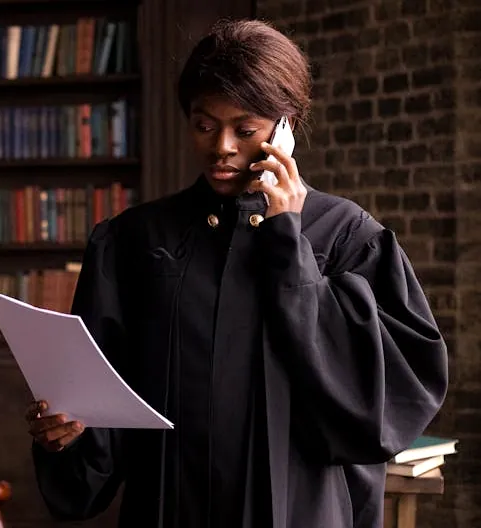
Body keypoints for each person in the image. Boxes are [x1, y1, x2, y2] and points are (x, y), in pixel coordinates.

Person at [24, 18, 449, 528]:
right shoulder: (136, 239)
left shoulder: (347, 238)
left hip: (297, 513)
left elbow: (383, 405)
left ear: (285, 126)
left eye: (245, 130)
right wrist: (69, 432)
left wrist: (287, 240)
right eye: (204, 125)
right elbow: (104, 397)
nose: (221, 146)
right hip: (170, 509)